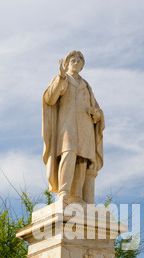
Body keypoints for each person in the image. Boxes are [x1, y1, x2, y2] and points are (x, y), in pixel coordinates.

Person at [42, 50, 104, 204]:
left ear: (82, 66)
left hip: (85, 128)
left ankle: (76, 196)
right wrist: (61, 77)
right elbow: (50, 99)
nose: (76, 63)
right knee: (68, 154)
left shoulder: (86, 86)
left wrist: (96, 114)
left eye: (79, 61)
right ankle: (63, 193)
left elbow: (96, 108)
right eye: (73, 61)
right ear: (67, 63)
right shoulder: (62, 80)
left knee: (82, 159)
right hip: (67, 126)